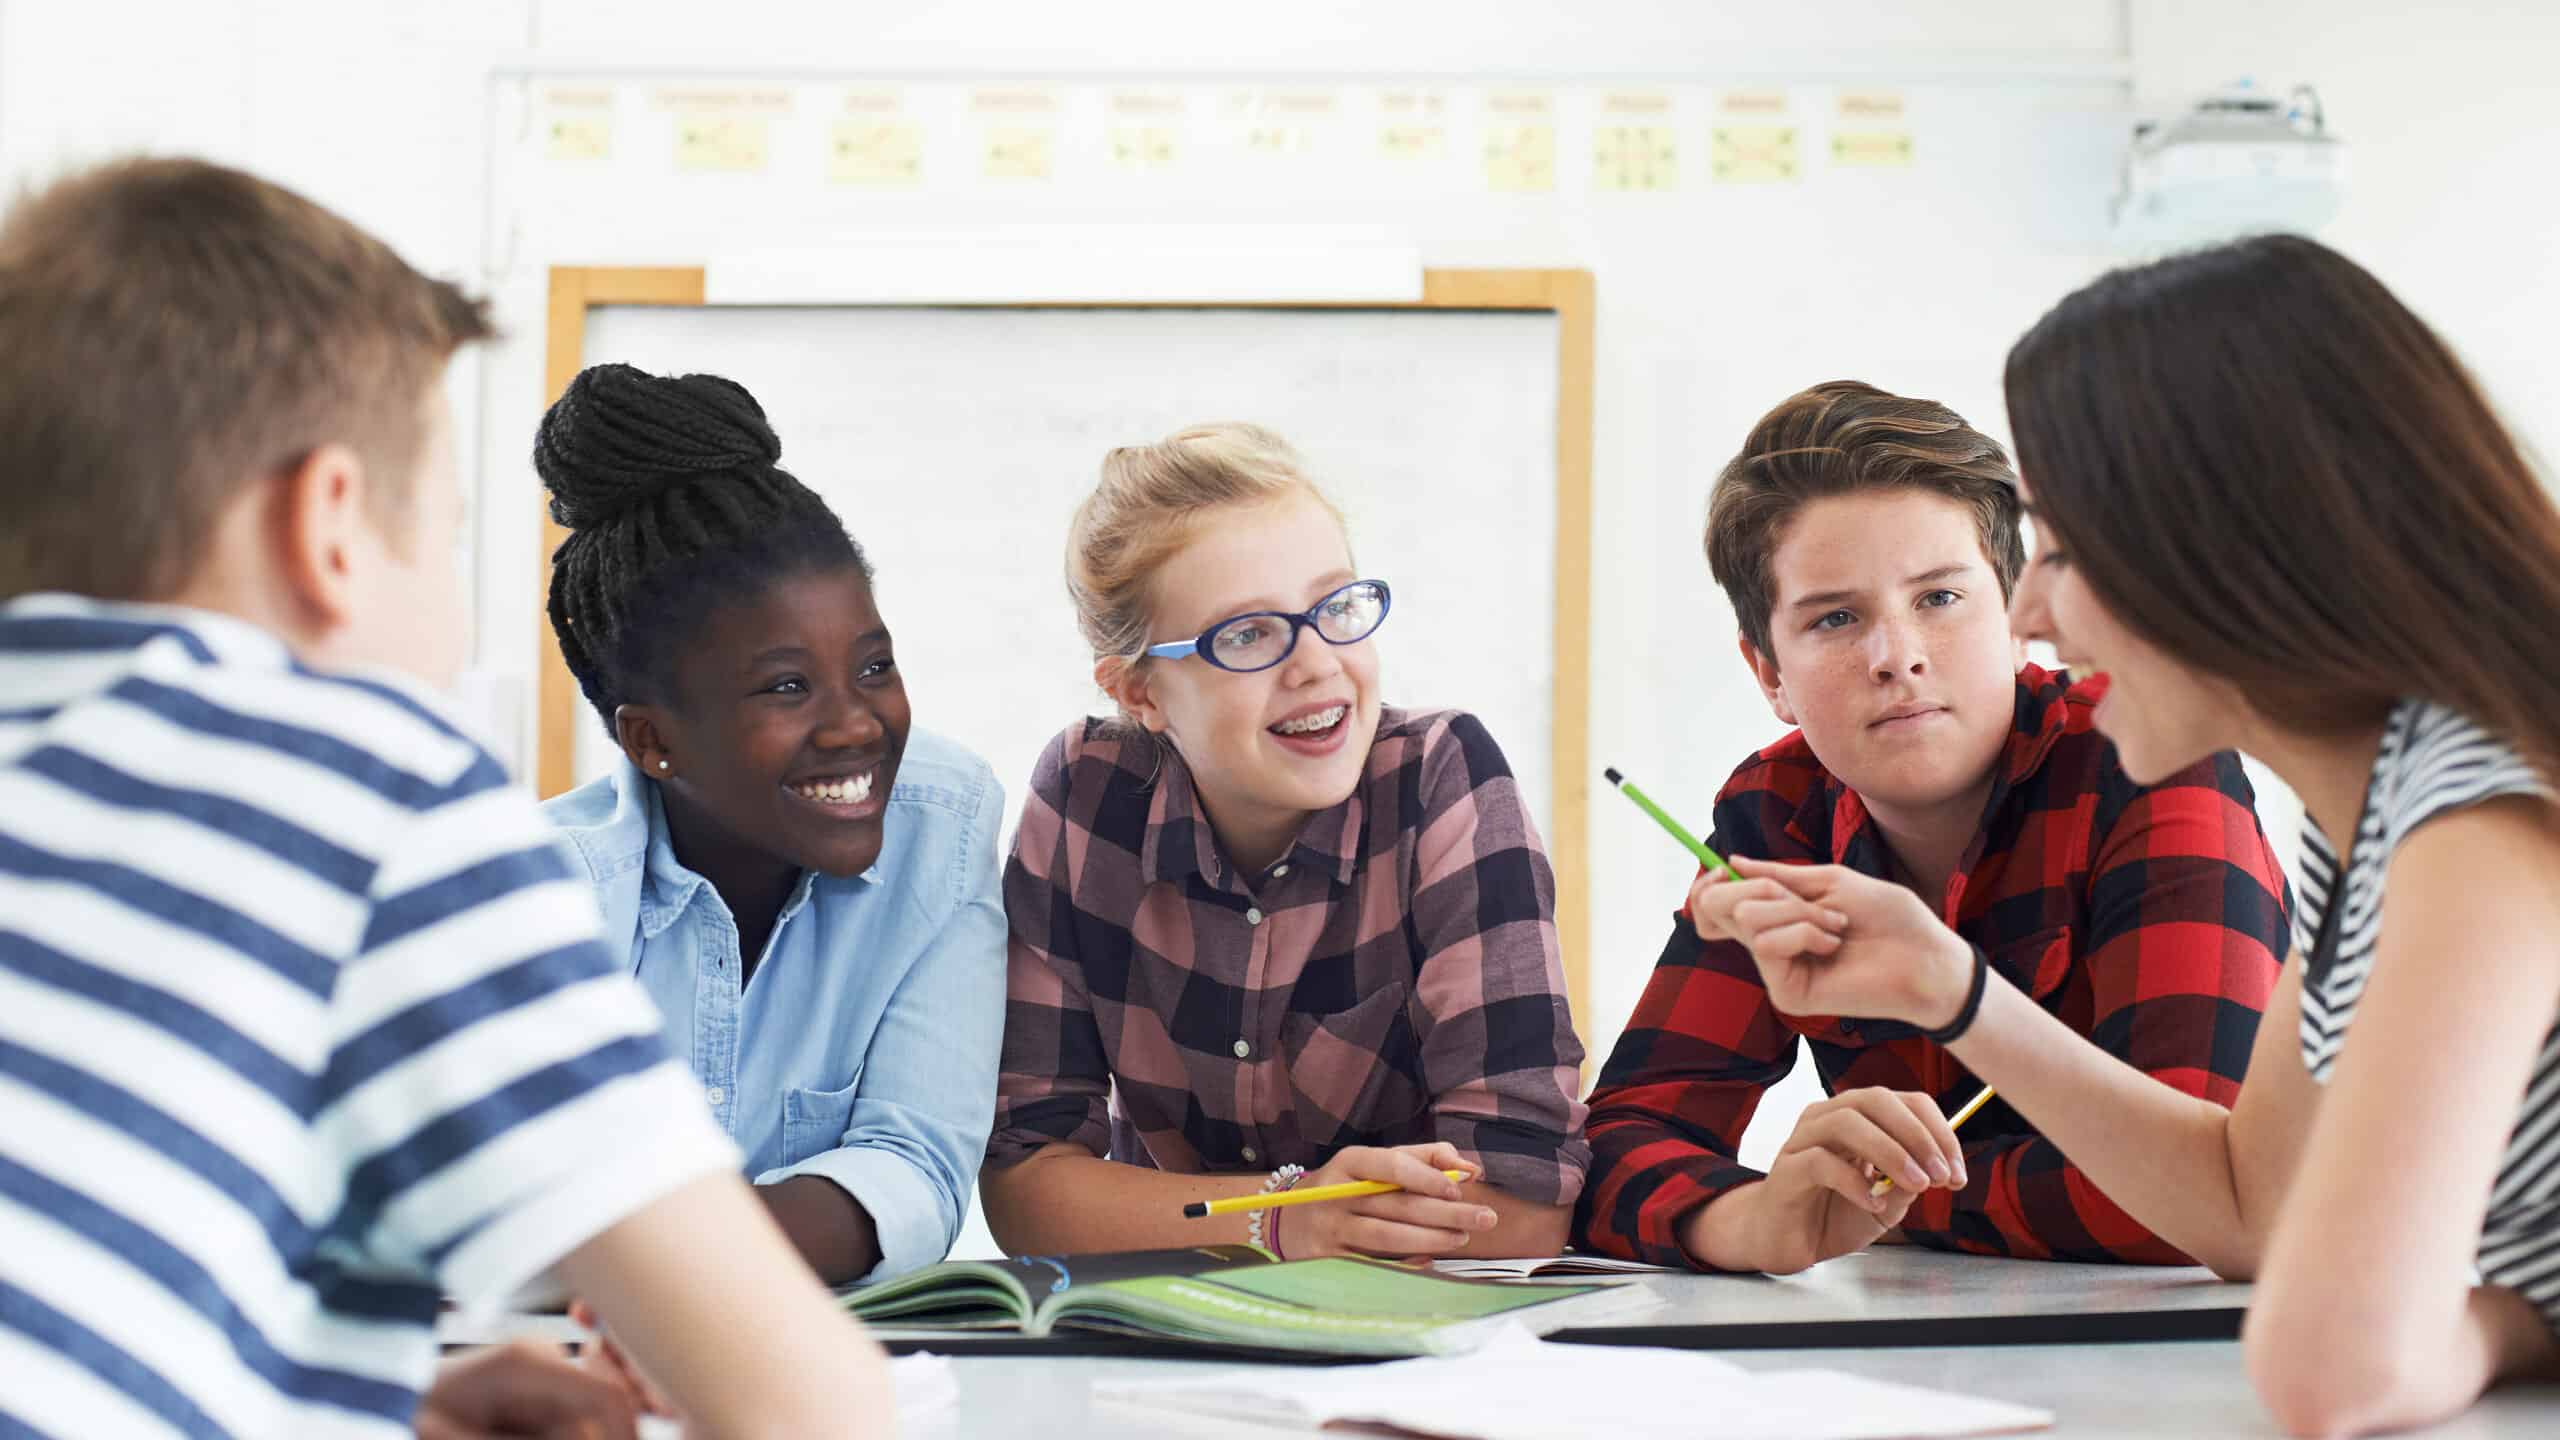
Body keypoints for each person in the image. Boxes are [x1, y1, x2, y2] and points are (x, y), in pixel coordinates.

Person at [0, 157, 888, 1438]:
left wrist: (384, 1404)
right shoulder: (358, 784)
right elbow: (807, 1406)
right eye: (452, 530)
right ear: (333, 528)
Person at [1698, 236, 2560, 1435]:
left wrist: (2524, 1313)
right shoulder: (2366, 817)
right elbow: (2246, 1204)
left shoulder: (2477, 820)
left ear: (2214, 550)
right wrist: (1952, 991)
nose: (2032, 614)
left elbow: (2337, 1366)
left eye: (2057, 549)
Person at [1578, 381, 2289, 1275]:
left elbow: (2196, 1193)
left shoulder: (2144, 752)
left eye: (1940, 598)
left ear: (2019, 615)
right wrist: (1760, 1221)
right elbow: (1615, 1144)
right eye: (1835, 618)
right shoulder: (1776, 810)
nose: (1897, 656)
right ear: (1768, 672)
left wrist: (1888, 1201)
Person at [980, 422, 1589, 1261]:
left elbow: (1520, 1199)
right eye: (1248, 635)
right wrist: (1283, 1215)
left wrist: (1258, 1220)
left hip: (1424, 1336)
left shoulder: (1441, 775)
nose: (1316, 664)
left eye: (1335, 607)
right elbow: (1028, 1189)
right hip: (1168, 1335)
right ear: (1141, 694)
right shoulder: (1086, 794)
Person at [538, 362, 1005, 1287]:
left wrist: (670, 1255)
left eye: (873, 667)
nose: (857, 725)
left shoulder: (942, 824)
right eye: (787, 687)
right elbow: (516, 1219)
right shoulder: (546, 895)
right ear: (654, 740)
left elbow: (914, 1165)